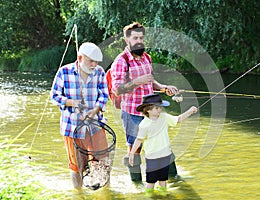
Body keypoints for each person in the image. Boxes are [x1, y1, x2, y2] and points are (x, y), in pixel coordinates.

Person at [110, 22, 179, 182]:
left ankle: (175, 180)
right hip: (133, 113)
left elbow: (150, 81)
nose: (139, 41)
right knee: (135, 149)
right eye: (135, 38)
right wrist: (136, 82)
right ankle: (137, 185)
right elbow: (117, 89)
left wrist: (163, 88)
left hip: (152, 113)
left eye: (141, 37)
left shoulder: (146, 57)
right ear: (127, 40)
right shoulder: (121, 61)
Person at [50, 42, 109, 190]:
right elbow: (54, 96)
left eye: (96, 62)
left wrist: (95, 109)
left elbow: (104, 95)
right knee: (77, 165)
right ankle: (79, 194)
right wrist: (71, 102)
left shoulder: (100, 71)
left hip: (95, 125)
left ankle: (105, 194)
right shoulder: (64, 72)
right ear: (80, 57)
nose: (94, 64)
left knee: (103, 162)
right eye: (91, 61)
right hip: (72, 127)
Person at [129, 94, 198, 193]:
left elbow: (178, 119)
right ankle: (149, 197)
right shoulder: (144, 124)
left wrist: (190, 111)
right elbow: (139, 140)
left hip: (165, 155)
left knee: (163, 180)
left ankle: (163, 195)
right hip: (152, 157)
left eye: (160, 107)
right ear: (148, 110)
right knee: (151, 181)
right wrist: (132, 153)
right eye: (156, 108)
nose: (159, 110)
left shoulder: (164, 117)